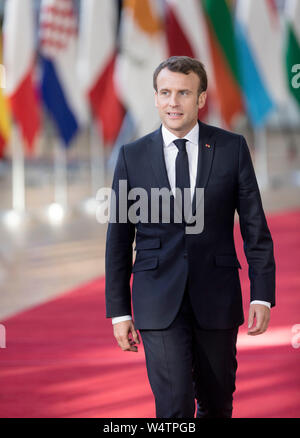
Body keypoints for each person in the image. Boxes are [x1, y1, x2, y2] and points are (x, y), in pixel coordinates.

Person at [105, 56, 275, 418]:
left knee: (217, 404)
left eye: (183, 93)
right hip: (156, 298)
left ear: (200, 99)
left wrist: (262, 294)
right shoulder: (132, 156)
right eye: (165, 92)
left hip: (217, 297)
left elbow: (254, 227)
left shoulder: (232, 148)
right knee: (174, 407)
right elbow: (118, 239)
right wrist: (119, 311)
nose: (173, 102)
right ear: (155, 98)